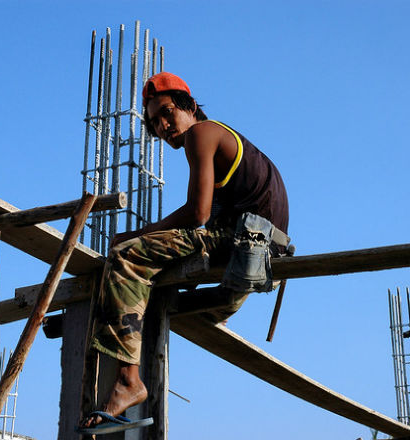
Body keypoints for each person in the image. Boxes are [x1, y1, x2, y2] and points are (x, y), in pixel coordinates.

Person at [79, 72, 289, 433]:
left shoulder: (201, 134)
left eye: (166, 113)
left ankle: (129, 381)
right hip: (253, 263)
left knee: (126, 256)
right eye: (154, 122)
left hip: (239, 246)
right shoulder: (218, 140)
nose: (162, 126)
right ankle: (158, 332)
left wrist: (137, 234)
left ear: (190, 106)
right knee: (159, 303)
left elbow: (198, 214)